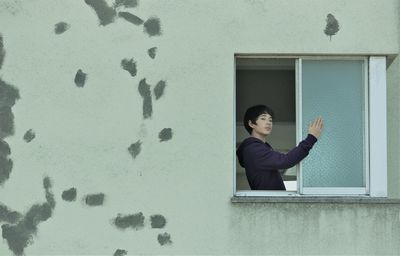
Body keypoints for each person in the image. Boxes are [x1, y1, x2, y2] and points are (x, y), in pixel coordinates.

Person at [236, 105, 323, 190]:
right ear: (251, 124)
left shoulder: (259, 148)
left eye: (270, 120)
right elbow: (286, 160)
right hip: (269, 202)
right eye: (263, 118)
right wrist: (311, 138)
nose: (268, 122)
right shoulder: (253, 149)